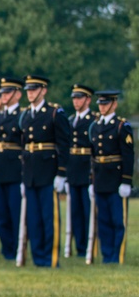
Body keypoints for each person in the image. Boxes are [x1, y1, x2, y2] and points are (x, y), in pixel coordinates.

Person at [18, 74, 69, 267]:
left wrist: (62, 173)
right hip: (30, 172)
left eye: (34, 90)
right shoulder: (26, 115)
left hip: (48, 172)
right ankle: (38, 256)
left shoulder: (54, 113)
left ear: (43, 90)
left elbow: (64, 144)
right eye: (28, 90)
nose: (30, 93)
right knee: (33, 218)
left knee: (49, 218)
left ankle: (51, 256)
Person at [89, 90, 133, 264]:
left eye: (106, 103)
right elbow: (92, 156)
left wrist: (126, 181)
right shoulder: (95, 126)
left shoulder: (122, 126)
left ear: (114, 104)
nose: (102, 107)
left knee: (117, 220)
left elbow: (128, 155)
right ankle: (107, 255)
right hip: (100, 178)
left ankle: (117, 254)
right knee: (103, 220)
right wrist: (91, 180)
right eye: (100, 103)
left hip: (115, 179)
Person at [0, 78, 25, 260]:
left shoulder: (22, 116)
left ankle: (17, 247)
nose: (3, 96)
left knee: (15, 212)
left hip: (15, 169)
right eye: (2, 92)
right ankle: (7, 249)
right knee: (1, 214)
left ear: (18, 94)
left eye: (7, 92)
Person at [66, 84, 95, 257]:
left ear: (88, 100)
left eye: (79, 98)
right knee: (75, 210)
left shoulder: (94, 120)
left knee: (87, 209)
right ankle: (79, 246)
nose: (76, 101)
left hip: (87, 168)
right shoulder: (70, 120)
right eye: (74, 98)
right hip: (73, 168)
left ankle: (89, 244)